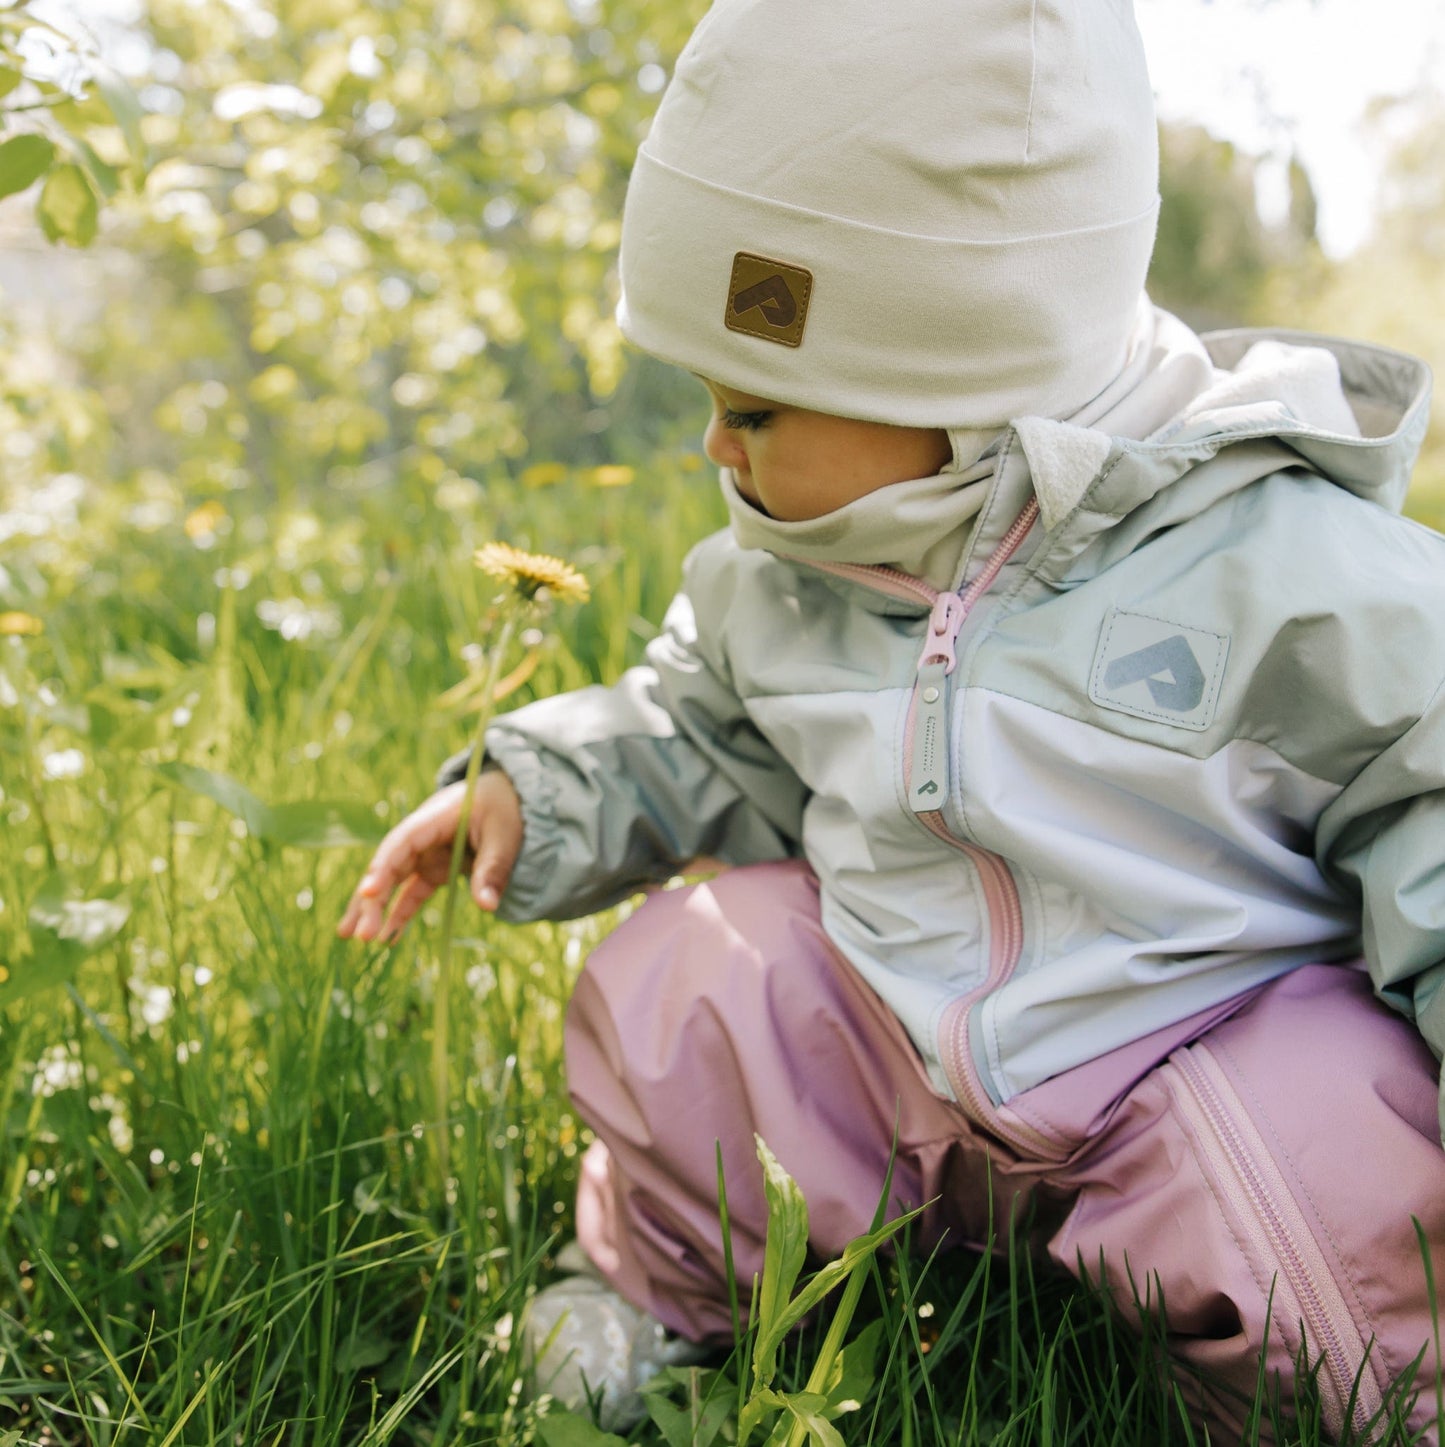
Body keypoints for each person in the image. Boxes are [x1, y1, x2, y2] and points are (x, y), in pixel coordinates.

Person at [339, 0, 1445, 1437]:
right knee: (698, 978)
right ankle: (655, 1286)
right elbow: (696, 730)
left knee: (1328, 1189)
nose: (712, 445)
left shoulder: (1281, 567)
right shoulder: (771, 582)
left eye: (757, 406)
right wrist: (538, 789)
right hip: (892, 1044)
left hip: (1193, 1059)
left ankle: (1348, 1395)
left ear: (957, 374)